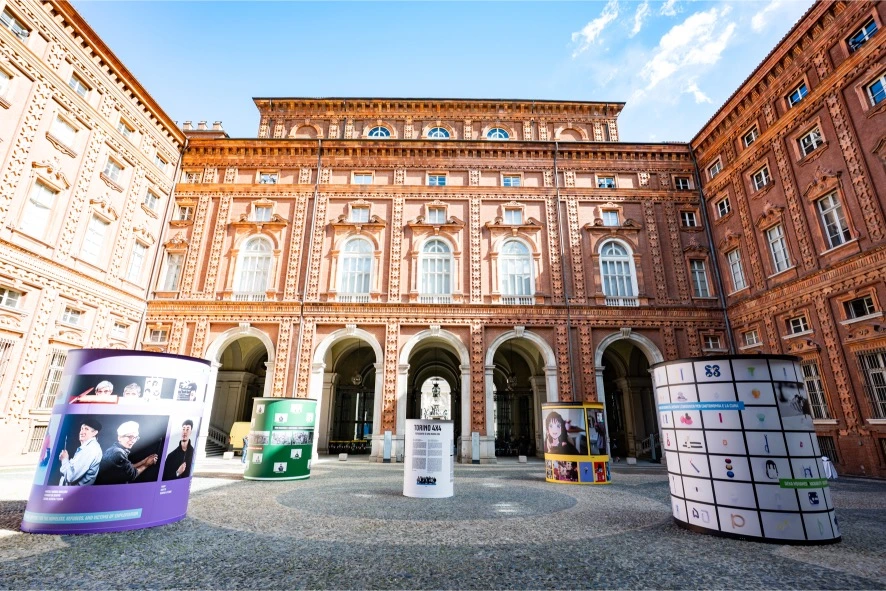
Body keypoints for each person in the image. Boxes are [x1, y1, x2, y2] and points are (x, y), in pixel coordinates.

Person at [94, 420, 157, 485]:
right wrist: (146, 464)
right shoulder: (118, 453)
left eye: (135, 437)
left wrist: (144, 461)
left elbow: (127, 468)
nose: (133, 441)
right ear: (119, 437)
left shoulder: (115, 449)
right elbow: (132, 475)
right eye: (130, 437)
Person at [58, 418, 103, 485]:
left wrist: (64, 459)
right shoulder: (87, 448)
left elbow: (71, 477)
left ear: (94, 433)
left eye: (86, 429)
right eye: (81, 428)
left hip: (74, 494)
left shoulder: (90, 449)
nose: (81, 432)